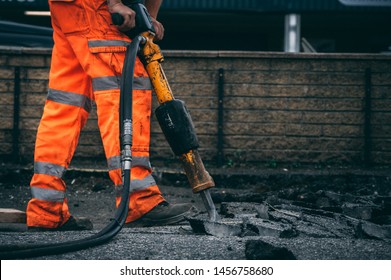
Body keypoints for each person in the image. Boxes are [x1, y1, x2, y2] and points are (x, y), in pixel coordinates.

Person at [26, 0, 193, 231]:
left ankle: (46, 209)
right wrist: (114, 3)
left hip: (68, 8)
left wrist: (149, 16)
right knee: (125, 91)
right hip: (95, 8)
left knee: (66, 104)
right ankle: (139, 200)